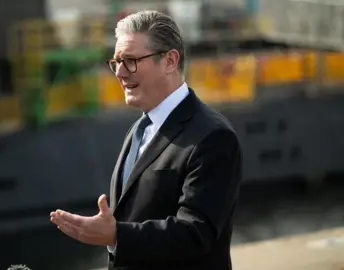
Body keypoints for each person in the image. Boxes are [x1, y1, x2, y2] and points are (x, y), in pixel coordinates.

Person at [50, 10, 243, 270]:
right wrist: (113, 234)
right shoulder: (139, 129)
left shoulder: (213, 136)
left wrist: (116, 235)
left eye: (130, 60)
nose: (120, 72)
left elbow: (195, 233)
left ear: (170, 61)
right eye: (116, 61)